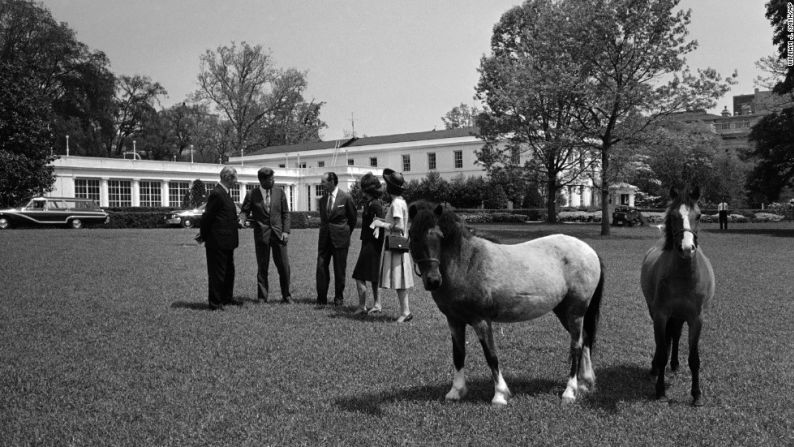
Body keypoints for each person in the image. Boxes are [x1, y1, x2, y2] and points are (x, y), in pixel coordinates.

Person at [240, 167, 292, 304]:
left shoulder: (279, 192)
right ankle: (262, 297)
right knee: (262, 267)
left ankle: (286, 296)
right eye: (270, 179)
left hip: (279, 235)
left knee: (284, 267)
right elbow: (244, 211)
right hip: (261, 235)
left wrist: (286, 231)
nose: (273, 181)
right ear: (261, 180)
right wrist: (242, 219)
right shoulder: (252, 194)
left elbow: (286, 213)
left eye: (273, 178)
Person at [372, 168, 414, 323]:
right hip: (400, 243)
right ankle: (405, 311)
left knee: (399, 280)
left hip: (396, 244)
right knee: (400, 280)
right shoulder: (401, 201)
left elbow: (398, 226)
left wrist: (381, 224)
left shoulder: (396, 203)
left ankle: (405, 311)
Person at [196, 166, 241, 311]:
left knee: (228, 272)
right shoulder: (217, 194)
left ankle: (227, 298)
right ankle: (215, 302)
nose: (236, 181)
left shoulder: (225, 193)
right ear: (228, 178)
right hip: (217, 242)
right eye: (235, 178)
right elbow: (207, 218)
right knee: (217, 273)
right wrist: (203, 235)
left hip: (227, 241)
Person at [316, 171, 358, 306]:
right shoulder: (323, 200)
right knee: (321, 267)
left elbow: (353, 220)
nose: (321, 184)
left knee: (339, 270)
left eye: (324, 182)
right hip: (324, 240)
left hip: (340, 240)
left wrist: (344, 233)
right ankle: (321, 298)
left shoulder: (346, 198)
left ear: (332, 182)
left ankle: (338, 297)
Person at [351, 173, 385, 315]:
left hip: (371, 244)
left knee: (359, 275)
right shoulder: (371, 203)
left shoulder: (375, 205)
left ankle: (362, 306)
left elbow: (378, 226)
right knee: (373, 275)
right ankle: (377, 304)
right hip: (371, 243)